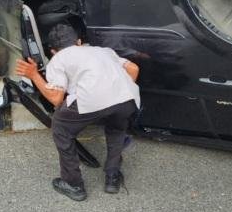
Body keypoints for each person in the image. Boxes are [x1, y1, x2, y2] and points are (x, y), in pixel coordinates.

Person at [15, 24, 140, 202]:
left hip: (92, 100)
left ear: (52, 51)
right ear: (79, 42)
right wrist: (117, 93)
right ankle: (112, 177)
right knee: (116, 129)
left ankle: (74, 184)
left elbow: (56, 98)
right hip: (127, 99)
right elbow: (133, 69)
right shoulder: (103, 51)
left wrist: (34, 75)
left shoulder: (57, 60)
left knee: (60, 126)